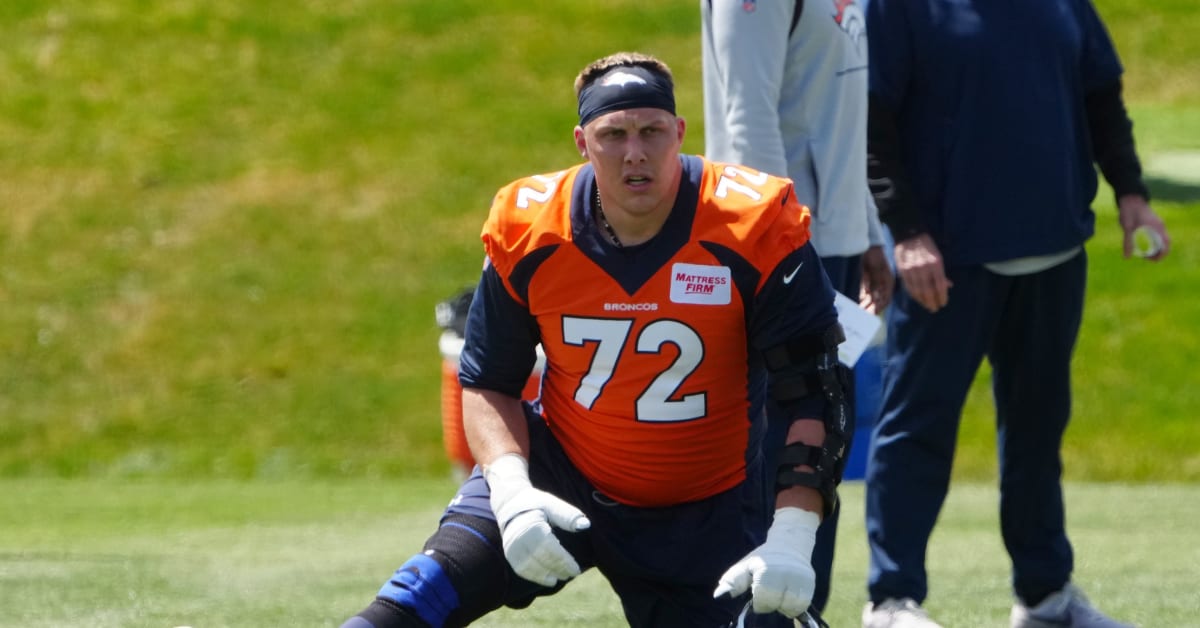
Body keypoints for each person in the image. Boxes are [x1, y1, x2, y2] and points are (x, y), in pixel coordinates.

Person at [340, 51, 854, 628]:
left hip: (709, 509)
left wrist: (792, 533)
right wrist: (509, 492)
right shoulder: (532, 227)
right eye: (614, 134)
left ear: (679, 134)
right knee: (414, 600)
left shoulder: (751, 223)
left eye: (651, 131)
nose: (635, 152)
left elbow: (814, 391)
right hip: (562, 472)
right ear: (583, 142)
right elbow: (487, 381)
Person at [859, 0, 1171, 626]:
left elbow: (1100, 95)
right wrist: (908, 232)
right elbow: (872, 122)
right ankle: (892, 600)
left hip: (1055, 251)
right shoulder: (898, 8)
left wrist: (1131, 194)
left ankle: (1044, 596)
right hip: (946, 259)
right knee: (916, 427)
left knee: (1037, 430)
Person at [701, 0, 894, 619]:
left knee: (825, 429)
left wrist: (864, 228)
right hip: (784, 245)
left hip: (828, 239)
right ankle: (761, 613)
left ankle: (802, 607)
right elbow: (748, 117)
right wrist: (783, 244)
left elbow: (843, 115)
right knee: (785, 433)